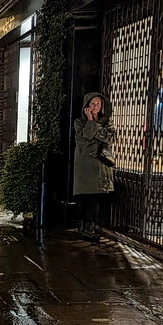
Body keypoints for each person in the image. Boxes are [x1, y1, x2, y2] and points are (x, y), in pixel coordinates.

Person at [73, 92, 115, 240]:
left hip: (100, 165)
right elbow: (85, 138)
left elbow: (110, 138)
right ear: (86, 106)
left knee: (95, 198)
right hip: (84, 166)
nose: (95, 107)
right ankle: (83, 226)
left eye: (98, 104)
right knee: (84, 197)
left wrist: (93, 128)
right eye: (92, 104)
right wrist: (91, 122)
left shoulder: (107, 122)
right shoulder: (79, 122)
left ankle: (91, 227)